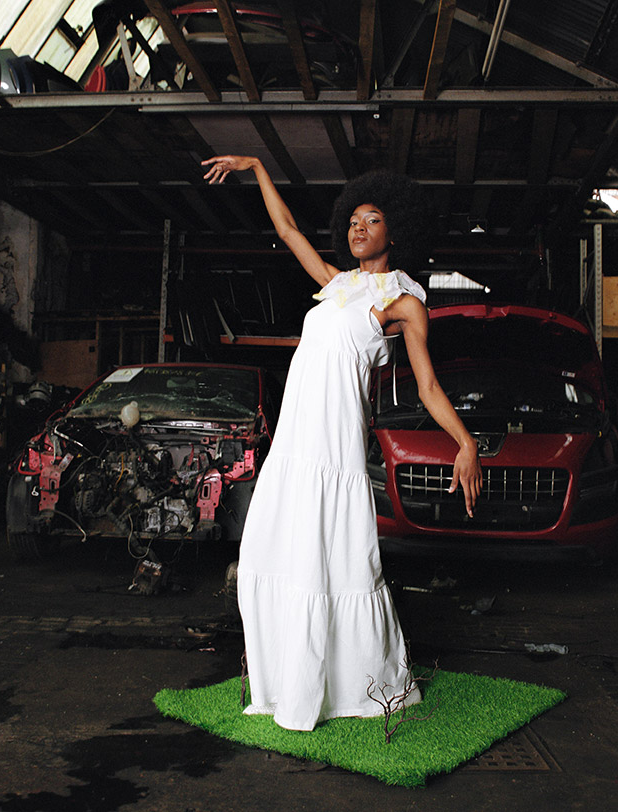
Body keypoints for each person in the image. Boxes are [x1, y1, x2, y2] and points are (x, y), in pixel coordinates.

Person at [202, 154, 482, 731]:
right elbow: (287, 231)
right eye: (353, 218)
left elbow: (427, 384)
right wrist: (256, 167)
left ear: (394, 231)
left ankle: (357, 684)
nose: (358, 227)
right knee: (266, 551)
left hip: (334, 446)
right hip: (295, 442)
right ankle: (287, 681)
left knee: (336, 566)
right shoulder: (335, 285)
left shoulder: (403, 302)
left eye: (372, 218)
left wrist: (465, 442)